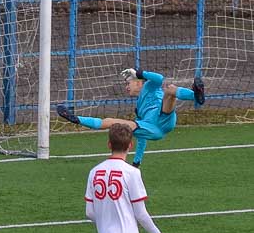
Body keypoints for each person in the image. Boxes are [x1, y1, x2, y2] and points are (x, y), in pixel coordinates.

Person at [58, 68, 205, 167]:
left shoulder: (149, 86)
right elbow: (141, 137)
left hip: (164, 118)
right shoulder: (139, 108)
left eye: (128, 83)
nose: (126, 87)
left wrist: (139, 72)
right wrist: (136, 163)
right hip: (153, 129)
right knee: (112, 122)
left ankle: (196, 96)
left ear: (138, 81)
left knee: (170, 90)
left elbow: (159, 78)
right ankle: (76, 119)